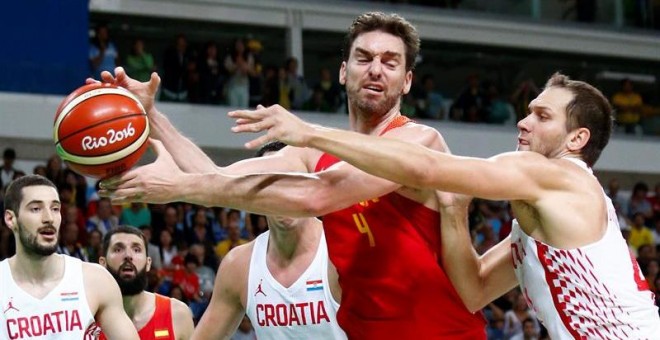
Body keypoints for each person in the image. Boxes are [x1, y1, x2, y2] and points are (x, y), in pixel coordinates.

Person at [95, 11, 487, 338]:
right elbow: (220, 176)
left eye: (390, 62)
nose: (376, 70)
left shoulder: (420, 141)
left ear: (407, 81)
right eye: (364, 58)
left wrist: (180, 188)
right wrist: (154, 119)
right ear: (342, 71)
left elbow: (317, 197)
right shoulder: (310, 152)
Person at [226, 72, 660, 338]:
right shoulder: (540, 222)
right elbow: (472, 292)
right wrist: (453, 213)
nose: (523, 122)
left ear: (577, 139)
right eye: (528, 111)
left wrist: (310, 133)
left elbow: (426, 169)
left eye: (542, 116)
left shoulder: (557, 175)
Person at [192, 141, 346, 339]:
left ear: (310, 185)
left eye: (292, 180)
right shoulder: (239, 266)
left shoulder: (340, 250)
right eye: (272, 182)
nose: (283, 192)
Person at [0, 175, 138, 339]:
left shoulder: (95, 279)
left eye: (55, 208)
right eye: (36, 209)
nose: (49, 218)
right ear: (11, 219)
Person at [98, 225, 194, 340]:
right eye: (118, 249)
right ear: (102, 263)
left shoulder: (178, 314)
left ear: (148, 263)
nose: (128, 255)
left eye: (136, 250)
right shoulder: (86, 319)